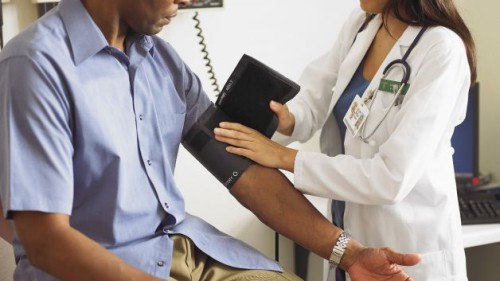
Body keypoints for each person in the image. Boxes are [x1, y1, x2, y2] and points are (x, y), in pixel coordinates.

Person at [0, 0, 421, 280]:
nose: (183, 1)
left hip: (184, 251)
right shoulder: (36, 66)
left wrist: (348, 254)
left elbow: (243, 173)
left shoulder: (162, 62)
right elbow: (43, 241)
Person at [214, 0, 476, 280]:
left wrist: (282, 156)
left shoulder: (441, 49)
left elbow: (391, 178)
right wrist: (289, 118)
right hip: (345, 236)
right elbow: (316, 95)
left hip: (408, 248)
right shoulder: (362, 24)